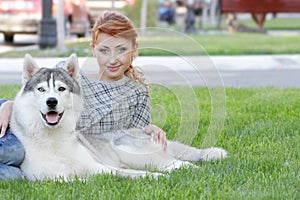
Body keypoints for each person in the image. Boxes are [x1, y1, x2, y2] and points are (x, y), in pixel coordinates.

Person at [0, 11, 166, 180]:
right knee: (14, 152)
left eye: (121, 49)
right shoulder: (67, 75)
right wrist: (8, 105)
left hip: (84, 147)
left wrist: (150, 129)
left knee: (12, 176)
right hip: (23, 135)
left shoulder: (138, 92)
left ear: (134, 49)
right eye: (104, 50)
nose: (113, 59)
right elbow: (37, 92)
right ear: (94, 50)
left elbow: (134, 135)